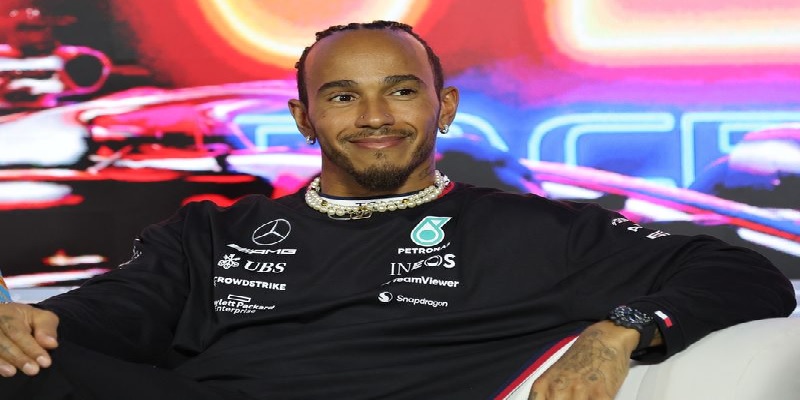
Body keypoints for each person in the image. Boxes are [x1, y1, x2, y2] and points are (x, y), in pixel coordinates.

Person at [0, 20, 795, 400]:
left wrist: (617, 332)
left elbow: (740, 274)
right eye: (344, 96)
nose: (376, 117)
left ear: (442, 107)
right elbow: (113, 314)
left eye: (402, 91)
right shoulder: (210, 233)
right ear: (306, 118)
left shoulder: (536, 231)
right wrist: (28, 322)